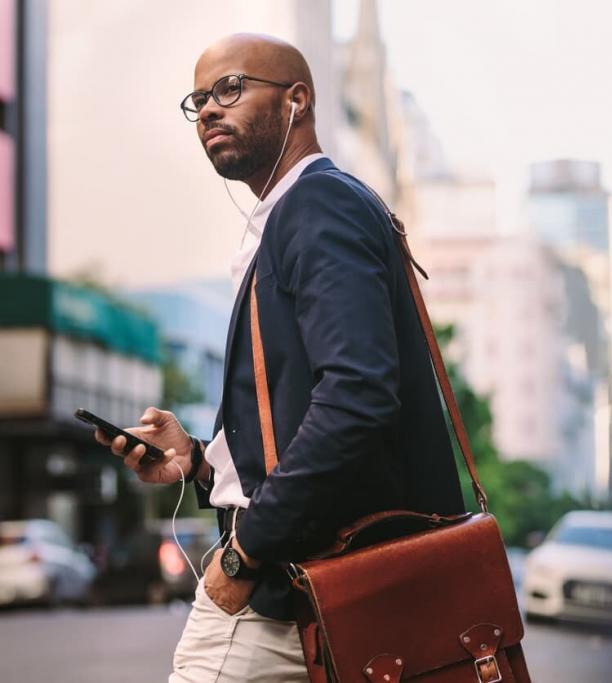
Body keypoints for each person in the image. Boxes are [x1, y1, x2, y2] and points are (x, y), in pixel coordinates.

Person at [95, 33, 466, 682]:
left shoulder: (317, 205)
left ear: (298, 99)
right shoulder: (297, 215)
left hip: (293, 578)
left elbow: (356, 397)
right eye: (199, 99)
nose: (209, 109)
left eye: (230, 88)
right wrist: (199, 461)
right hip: (317, 579)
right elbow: (303, 417)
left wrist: (245, 554)